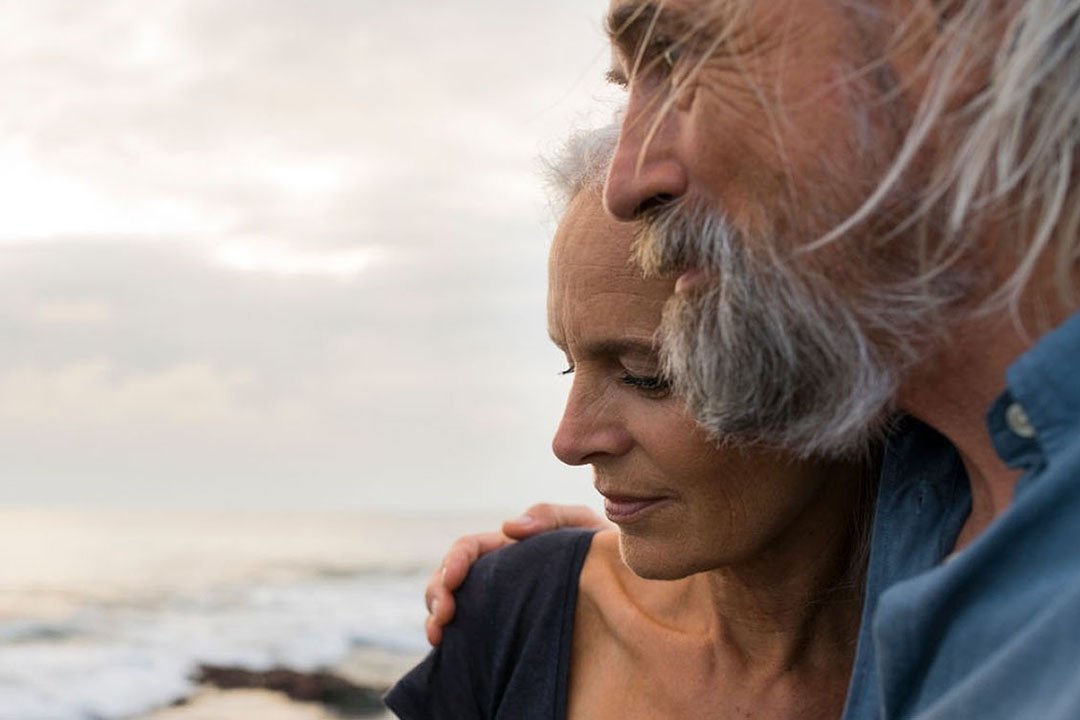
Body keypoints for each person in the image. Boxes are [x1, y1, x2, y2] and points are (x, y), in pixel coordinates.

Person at [429, 2, 1080, 718]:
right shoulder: (942, 489)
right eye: (628, 83)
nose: (629, 179)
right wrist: (559, 589)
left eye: (680, 56)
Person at [386, 128, 874, 719]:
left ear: (847, 367)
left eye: (649, 375)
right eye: (570, 365)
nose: (568, 443)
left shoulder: (983, 663)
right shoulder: (517, 613)